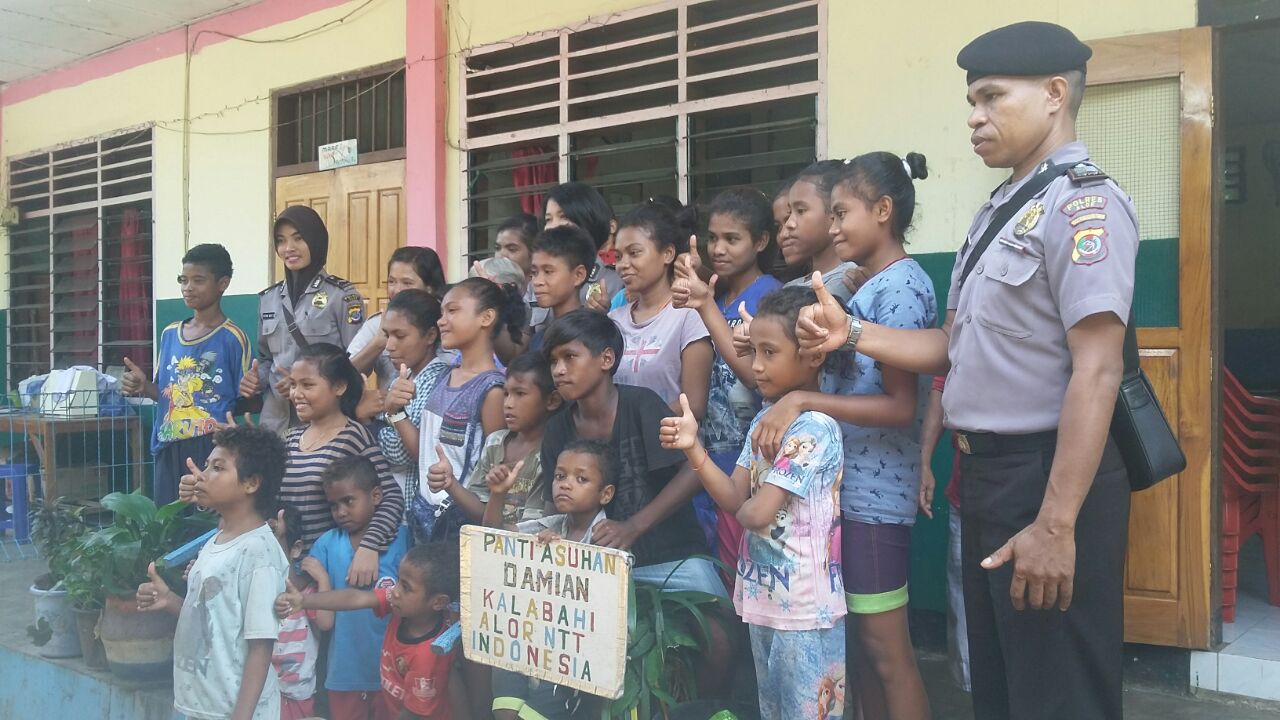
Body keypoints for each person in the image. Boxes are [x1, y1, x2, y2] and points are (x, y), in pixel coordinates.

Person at [794, 22, 1137, 720]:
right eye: (969, 102)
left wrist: (1056, 524)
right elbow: (949, 346)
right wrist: (852, 331)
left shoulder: (1084, 206)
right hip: (986, 479)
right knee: (1003, 690)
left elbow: (1097, 372)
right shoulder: (999, 213)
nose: (973, 117)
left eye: (989, 97)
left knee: (1058, 690)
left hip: (1047, 477)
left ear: (1051, 95)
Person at [753, 152, 936, 719]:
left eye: (840, 214)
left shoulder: (901, 287)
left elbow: (900, 406)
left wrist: (803, 397)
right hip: (845, 496)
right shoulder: (866, 285)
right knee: (860, 652)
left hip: (874, 503)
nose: (831, 229)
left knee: (887, 654)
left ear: (883, 211)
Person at [659, 286, 846, 720]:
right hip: (766, 599)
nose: (756, 367)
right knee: (775, 711)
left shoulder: (814, 427)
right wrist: (693, 449)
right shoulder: (766, 418)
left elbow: (754, 512)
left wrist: (744, 510)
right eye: (754, 352)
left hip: (805, 611)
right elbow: (731, 495)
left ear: (813, 356)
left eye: (769, 353)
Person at [136, 425, 289, 720]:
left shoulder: (258, 553)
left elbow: (261, 646)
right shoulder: (216, 542)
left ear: (251, 483)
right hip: (203, 706)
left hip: (237, 712)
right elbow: (214, 622)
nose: (202, 475)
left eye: (218, 468)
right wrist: (169, 600)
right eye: (206, 465)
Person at [671, 188, 783, 568]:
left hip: (751, 454)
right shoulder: (716, 298)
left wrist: (703, 304)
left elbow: (754, 376)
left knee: (745, 561)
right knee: (714, 560)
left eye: (732, 239)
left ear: (761, 241)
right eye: (713, 238)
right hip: (711, 449)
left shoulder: (770, 298)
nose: (718, 248)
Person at [486, 440, 616, 720]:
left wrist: (562, 559)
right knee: (504, 713)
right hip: (531, 642)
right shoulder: (551, 526)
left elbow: (604, 602)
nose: (565, 484)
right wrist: (497, 495)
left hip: (574, 660)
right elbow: (494, 538)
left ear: (605, 494)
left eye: (581, 479)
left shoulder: (609, 537)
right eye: (560, 476)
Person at [121, 243, 251, 506]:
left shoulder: (233, 338)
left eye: (198, 280)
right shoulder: (170, 334)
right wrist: (143, 386)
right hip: (168, 444)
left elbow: (246, 399)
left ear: (222, 283)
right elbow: (164, 394)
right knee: (169, 523)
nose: (188, 287)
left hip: (211, 446)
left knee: (204, 523)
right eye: (183, 280)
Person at [276, 542, 468, 720]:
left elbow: (413, 714)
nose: (396, 590)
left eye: (406, 587)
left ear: (438, 602)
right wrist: (304, 601)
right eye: (399, 580)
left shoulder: (428, 655)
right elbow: (355, 598)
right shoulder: (402, 607)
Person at [274, 343, 404, 583]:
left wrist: (369, 547)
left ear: (339, 387)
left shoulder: (354, 437)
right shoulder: (290, 438)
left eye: (308, 385)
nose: (296, 394)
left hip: (331, 574)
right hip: (287, 572)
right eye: (293, 385)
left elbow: (390, 497)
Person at [242, 205, 368, 435]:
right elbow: (266, 358)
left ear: (316, 240)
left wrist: (303, 379)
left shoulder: (342, 296)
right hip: (276, 425)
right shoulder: (268, 299)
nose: (288, 248)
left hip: (323, 425)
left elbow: (359, 362)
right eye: (281, 241)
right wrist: (255, 378)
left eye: (298, 238)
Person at [413, 278, 521, 541]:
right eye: (441, 313)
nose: (441, 321)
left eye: (452, 310)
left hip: (459, 522)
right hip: (422, 514)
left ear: (486, 317)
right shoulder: (443, 376)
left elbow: (495, 470)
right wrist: (395, 413)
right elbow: (425, 448)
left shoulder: (492, 390)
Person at [310, 455, 410, 720]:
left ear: (376, 495)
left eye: (349, 501)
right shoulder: (327, 544)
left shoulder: (402, 540)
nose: (341, 512)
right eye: (334, 505)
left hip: (394, 669)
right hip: (344, 671)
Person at [430, 352, 560, 528]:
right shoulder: (495, 442)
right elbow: (480, 511)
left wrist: (494, 517)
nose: (508, 403)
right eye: (506, 394)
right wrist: (451, 483)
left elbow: (531, 530)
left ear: (552, 400)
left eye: (520, 394)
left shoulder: (550, 454)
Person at [607, 202, 713, 416]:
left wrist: (631, 424)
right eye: (618, 257)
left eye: (634, 253)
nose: (623, 264)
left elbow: (694, 405)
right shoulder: (612, 321)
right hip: (618, 446)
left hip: (671, 445)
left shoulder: (689, 317)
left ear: (667, 253)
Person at [918, 376, 970, 693]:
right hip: (968, 492)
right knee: (967, 615)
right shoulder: (962, 326)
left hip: (1034, 487)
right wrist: (924, 459)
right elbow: (942, 380)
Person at [375, 289, 450, 502]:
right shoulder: (404, 377)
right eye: (387, 335)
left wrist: (380, 424)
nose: (389, 346)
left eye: (400, 335)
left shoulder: (436, 380)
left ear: (430, 336)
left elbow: (405, 452)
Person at [349, 246, 447, 388]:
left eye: (407, 283)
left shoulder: (448, 324)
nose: (397, 290)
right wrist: (377, 343)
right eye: (391, 282)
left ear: (430, 287)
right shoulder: (377, 324)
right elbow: (343, 378)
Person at [270, 503, 333, 720]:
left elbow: (325, 623)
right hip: (262, 694)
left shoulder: (307, 592)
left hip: (299, 696)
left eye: (273, 540)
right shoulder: (253, 592)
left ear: (295, 548)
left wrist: (323, 580)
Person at [541, 182, 624, 310]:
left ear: (588, 221)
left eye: (563, 217)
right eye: (548, 219)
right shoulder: (538, 278)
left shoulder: (617, 280)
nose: (553, 226)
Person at [527, 225, 597, 351]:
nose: (537, 282)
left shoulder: (592, 336)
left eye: (548, 271)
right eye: (534, 273)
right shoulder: (538, 340)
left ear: (578, 275)